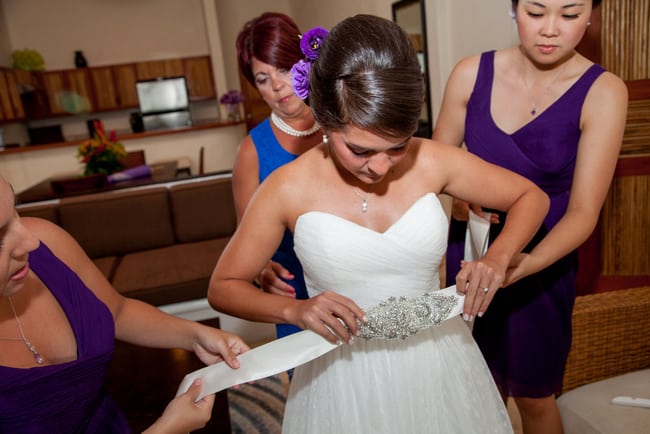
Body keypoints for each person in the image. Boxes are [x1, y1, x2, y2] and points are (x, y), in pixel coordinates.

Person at [208, 14, 550, 433]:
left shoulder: (432, 161)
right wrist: (295, 308)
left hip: (438, 360)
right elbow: (223, 287)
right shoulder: (286, 187)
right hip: (341, 376)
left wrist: (497, 259)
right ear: (327, 121)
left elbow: (530, 196)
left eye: (397, 148)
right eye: (361, 150)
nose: (381, 167)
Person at [432, 1, 627, 433]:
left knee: (535, 398)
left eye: (569, 15)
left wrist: (522, 265)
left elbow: (583, 211)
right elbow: (433, 172)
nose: (550, 30)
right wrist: (459, 197)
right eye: (536, 13)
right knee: (469, 389)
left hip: (541, 263)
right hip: (470, 256)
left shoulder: (604, 91)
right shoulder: (470, 74)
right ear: (514, 10)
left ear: (591, 15)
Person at [0, 174, 250, 433]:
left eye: (16, 211)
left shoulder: (46, 240)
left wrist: (196, 336)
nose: (30, 242)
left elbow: (117, 311)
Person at [234, 12, 322, 339]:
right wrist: (260, 268)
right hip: (296, 300)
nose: (277, 86)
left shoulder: (345, 125)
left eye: (283, 69)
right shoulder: (251, 153)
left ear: (305, 61)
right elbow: (247, 249)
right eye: (262, 78)